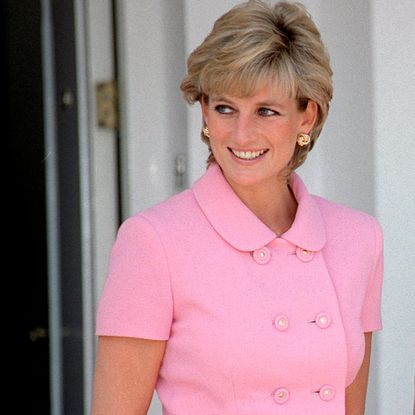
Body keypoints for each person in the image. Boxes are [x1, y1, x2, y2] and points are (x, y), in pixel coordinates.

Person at [90, 1, 384, 414]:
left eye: (266, 111)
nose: (242, 134)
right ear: (205, 110)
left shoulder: (358, 239)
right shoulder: (153, 242)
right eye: (225, 107)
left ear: (306, 117)